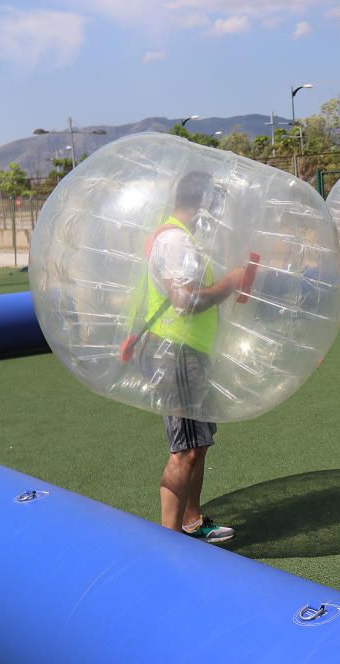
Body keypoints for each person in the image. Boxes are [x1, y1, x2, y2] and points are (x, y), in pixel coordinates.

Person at [137, 170, 249, 542]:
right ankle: (168, 541)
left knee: (197, 443)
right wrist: (231, 282)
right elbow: (185, 301)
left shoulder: (179, 238)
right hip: (177, 354)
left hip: (189, 353)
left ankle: (192, 521)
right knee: (183, 450)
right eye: (213, 205)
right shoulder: (175, 242)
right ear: (200, 204)